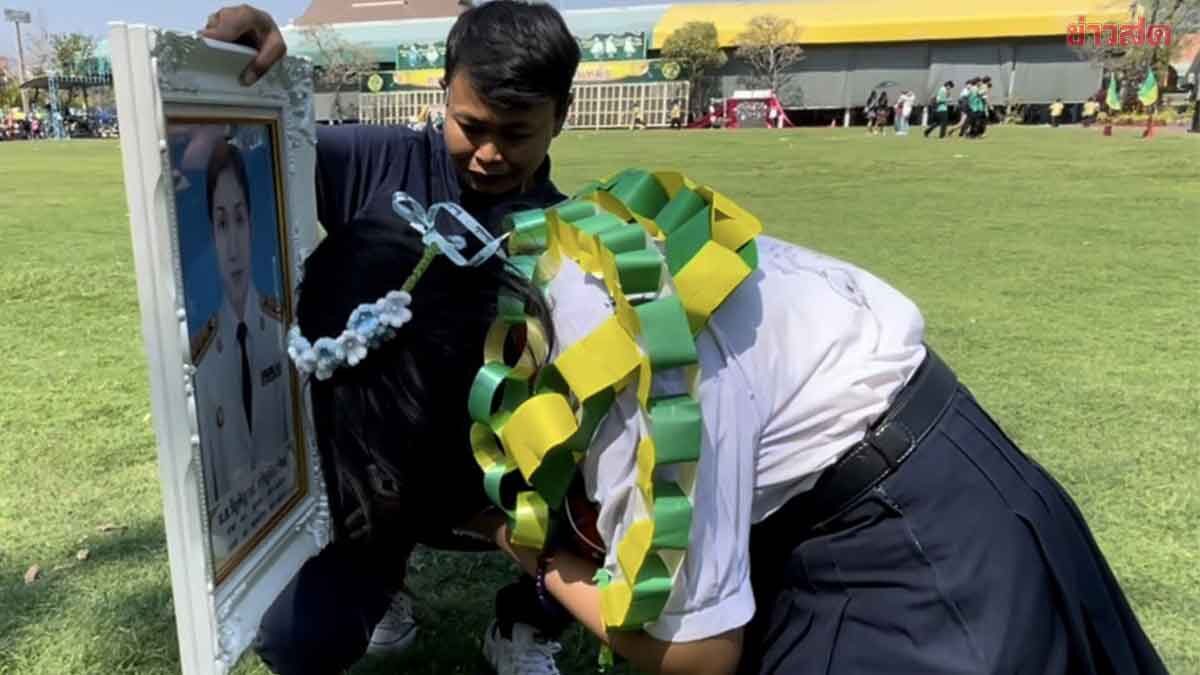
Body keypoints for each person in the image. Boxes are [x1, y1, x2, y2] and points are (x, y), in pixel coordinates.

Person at [285, 173, 1168, 675]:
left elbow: (697, 656)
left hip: (915, 542)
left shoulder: (632, 373)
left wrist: (536, 557)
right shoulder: (550, 265)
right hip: (911, 473)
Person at [201, 2, 580, 673]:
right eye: (472, 126)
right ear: (444, 93)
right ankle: (387, 583)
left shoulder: (572, 237)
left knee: (597, 497)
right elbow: (243, 154)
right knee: (296, 638)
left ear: (563, 115)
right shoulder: (370, 162)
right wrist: (239, 77)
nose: (490, 153)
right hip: (376, 487)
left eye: (517, 133)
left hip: (498, 487)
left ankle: (527, 623)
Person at [191, 138, 294, 565]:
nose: (232, 243)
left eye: (239, 219)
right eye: (221, 224)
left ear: (252, 224)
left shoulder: (281, 326)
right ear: (211, 234)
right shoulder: (201, 358)